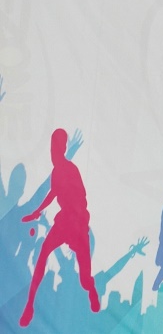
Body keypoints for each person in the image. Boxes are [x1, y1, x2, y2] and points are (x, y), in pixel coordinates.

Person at [18, 129, 99, 328]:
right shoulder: (57, 172)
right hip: (64, 222)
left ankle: (91, 290)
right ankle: (29, 305)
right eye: (51, 147)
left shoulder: (71, 169)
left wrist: (78, 226)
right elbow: (53, 193)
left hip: (77, 224)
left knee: (84, 280)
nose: (52, 151)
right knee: (43, 254)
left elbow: (82, 199)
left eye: (55, 147)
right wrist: (37, 212)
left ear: (62, 148)